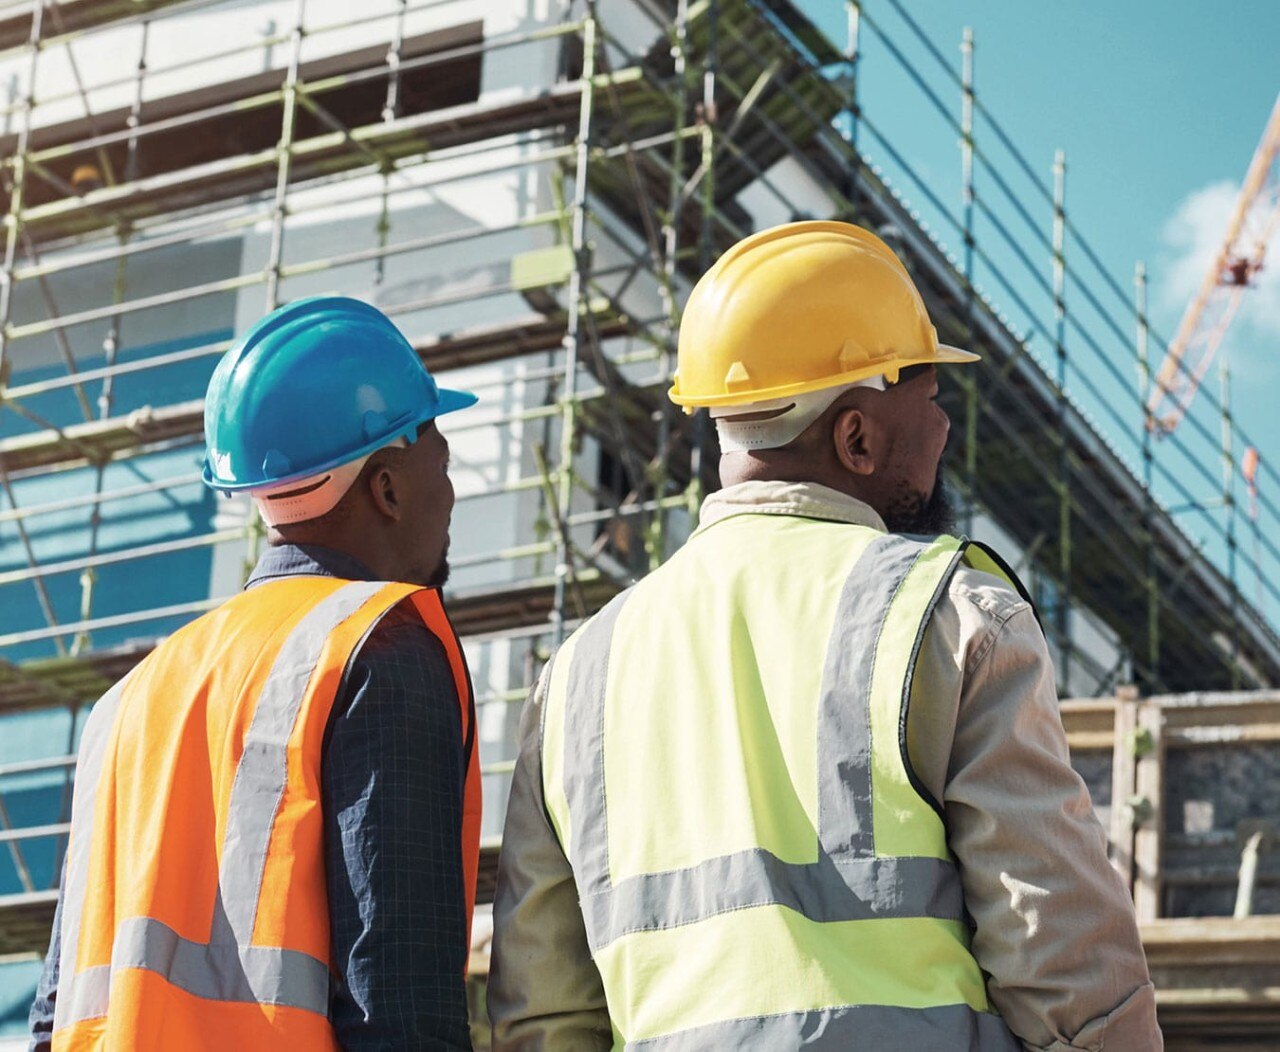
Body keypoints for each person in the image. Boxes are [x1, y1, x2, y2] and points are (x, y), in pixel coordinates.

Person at [488, 222, 1162, 1050]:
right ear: (856, 436)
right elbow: (1065, 966)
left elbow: (544, 1017)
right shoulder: (950, 617)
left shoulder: (576, 677)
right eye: (928, 398)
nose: (944, 431)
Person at [29, 296, 482, 1050]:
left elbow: (55, 1013)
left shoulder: (129, 701)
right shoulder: (377, 646)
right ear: (388, 487)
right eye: (438, 448)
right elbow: (399, 998)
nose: (451, 488)